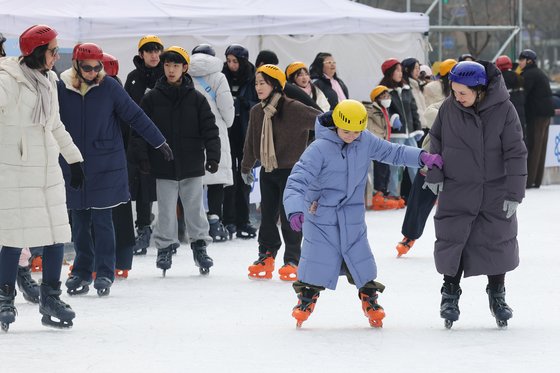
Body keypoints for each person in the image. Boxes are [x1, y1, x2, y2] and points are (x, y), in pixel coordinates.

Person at [282, 99, 443, 328]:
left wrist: (421, 157)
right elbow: (297, 180)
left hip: (351, 215)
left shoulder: (364, 140)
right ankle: (306, 299)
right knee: (315, 261)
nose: (352, 136)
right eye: (347, 131)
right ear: (336, 124)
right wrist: (295, 209)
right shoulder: (318, 149)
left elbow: (393, 152)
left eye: (357, 131)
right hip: (320, 215)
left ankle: (370, 299)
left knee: (361, 261)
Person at [58, 43, 172, 296]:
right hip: (73, 164)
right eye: (87, 67)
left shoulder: (109, 86)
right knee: (79, 221)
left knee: (102, 220)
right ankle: (81, 270)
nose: (92, 72)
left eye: (97, 67)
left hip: (106, 163)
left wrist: (159, 141)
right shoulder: (61, 88)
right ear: (76, 65)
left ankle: (105, 271)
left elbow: (135, 115)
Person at [424, 61, 527, 329]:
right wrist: (434, 174)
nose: (457, 98)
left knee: (496, 241)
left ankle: (497, 295)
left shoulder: (504, 110)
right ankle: (449, 294)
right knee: (453, 241)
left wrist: (514, 192)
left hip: (494, 190)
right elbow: (436, 141)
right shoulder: (449, 108)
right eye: (454, 92)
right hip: (457, 189)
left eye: (463, 93)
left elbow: (516, 151)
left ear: (479, 89)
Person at [0, 24, 84, 331]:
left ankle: (50, 297)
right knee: (13, 235)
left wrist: (75, 159)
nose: (55, 56)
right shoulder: (8, 79)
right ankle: (4, 296)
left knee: (56, 233)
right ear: (36, 52)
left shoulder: (49, 81)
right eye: (51, 51)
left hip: (48, 169)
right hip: (14, 168)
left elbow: (55, 124)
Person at [137, 46, 220, 277]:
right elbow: (140, 130)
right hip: (163, 164)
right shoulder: (151, 98)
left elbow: (210, 130)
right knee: (165, 209)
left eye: (175, 65)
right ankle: (164, 247)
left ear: (184, 68)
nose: (171, 70)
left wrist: (213, 156)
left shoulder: (196, 99)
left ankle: (200, 245)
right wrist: (143, 157)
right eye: (167, 65)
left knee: (195, 208)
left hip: (191, 163)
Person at [241, 64, 321, 281]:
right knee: (267, 216)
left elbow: (322, 120)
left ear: (275, 85)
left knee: (290, 216)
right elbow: (251, 142)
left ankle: (293, 259)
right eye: (256, 83)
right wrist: (246, 166)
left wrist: (317, 153)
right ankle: (266, 255)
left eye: (263, 83)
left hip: (293, 173)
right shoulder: (257, 111)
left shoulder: (293, 108)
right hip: (268, 170)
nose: (258, 87)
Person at [394, 60, 456, 256]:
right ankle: (409, 235)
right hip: (435, 152)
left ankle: (463, 239)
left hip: (461, 159)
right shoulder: (438, 92)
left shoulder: (475, 97)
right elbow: (429, 113)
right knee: (420, 196)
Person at [124, 35, 165, 255]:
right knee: (140, 186)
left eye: (157, 50)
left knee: (168, 185)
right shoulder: (132, 78)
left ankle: (170, 230)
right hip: (138, 139)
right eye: (149, 51)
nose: (154, 55)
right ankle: (143, 228)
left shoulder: (167, 75)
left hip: (163, 139)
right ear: (141, 54)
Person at [190, 43, 234, 242]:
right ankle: (215, 221)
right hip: (215, 130)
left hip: (190, 132)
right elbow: (227, 108)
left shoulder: (185, 73)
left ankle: (194, 224)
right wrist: (226, 122)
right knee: (216, 178)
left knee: (194, 179)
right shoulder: (219, 76)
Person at [221, 44, 259, 239]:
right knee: (228, 179)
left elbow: (262, 103)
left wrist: (247, 105)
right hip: (227, 133)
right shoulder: (222, 77)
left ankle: (243, 220)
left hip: (245, 134)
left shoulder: (253, 79)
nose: (231, 65)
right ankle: (228, 220)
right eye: (229, 61)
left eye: (235, 61)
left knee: (244, 178)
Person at [379, 58, 423, 205]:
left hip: (410, 132)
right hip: (396, 134)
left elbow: (413, 109)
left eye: (400, 70)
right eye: (397, 70)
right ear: (390, 72)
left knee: (416, 164)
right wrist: (393, 118)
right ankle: (393, 194)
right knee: (395, 167)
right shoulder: (383, 90)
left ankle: (420, 193)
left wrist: (417, 129)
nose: (400, 73)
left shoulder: (406, 88)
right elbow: (381, 109)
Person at [518, 49, 555, 189]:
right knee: (541, 146)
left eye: (522, 59)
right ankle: (536, 180)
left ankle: (529, 181)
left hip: (536, 115)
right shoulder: (538, 73)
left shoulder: (529, 74)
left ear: (529, 61)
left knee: (533, 146)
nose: (520, 62)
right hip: (545, 113)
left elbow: (524, 94)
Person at [363, 85, 400, 210]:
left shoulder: (384, 110)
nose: (387, 98)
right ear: (377, 99)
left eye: (388, 96)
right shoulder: (372, 111)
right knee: (379, 170)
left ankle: (383, 193)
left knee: (385, 169)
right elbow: (370, 128)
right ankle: (377, 194)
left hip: (384, 144)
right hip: (377, 145)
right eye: (384, 96)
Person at [495, 55, 526, 140]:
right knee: (521, 137)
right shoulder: (519, 77)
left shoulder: (498, 79)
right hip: (520, 112)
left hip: (506, 113)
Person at [401, 58, 428, 132]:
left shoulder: (418, 85)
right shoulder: (405, 87)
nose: (418, 71)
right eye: (415, 68)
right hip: (414, 127)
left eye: (418, 68)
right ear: (407, 69)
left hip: (423, 125)